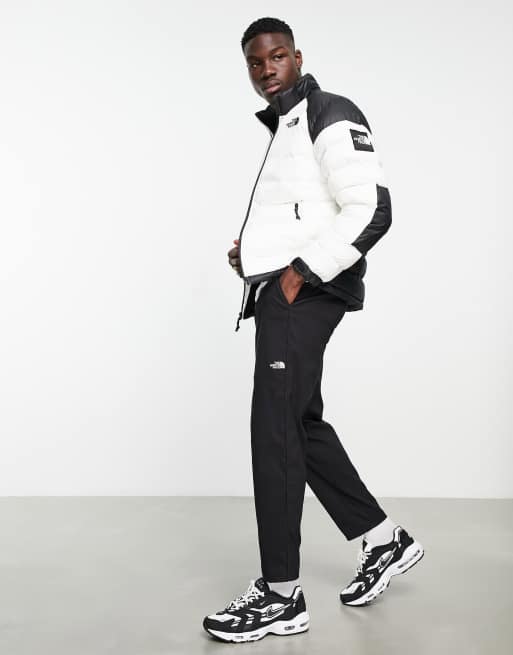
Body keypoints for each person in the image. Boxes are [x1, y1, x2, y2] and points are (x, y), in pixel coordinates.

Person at [203, 17, 424, 644]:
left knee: (273, 432)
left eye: (276, 57)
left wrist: (297, 273)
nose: (265, 69)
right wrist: (256, 256)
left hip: (307, 294)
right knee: (298, 423)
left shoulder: (330, 112)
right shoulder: (286, 125)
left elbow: (372, 209)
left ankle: (280, 595)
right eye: (255, 62)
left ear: (297, 57)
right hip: (284, 291)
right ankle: (382, 539)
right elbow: (308, 210)